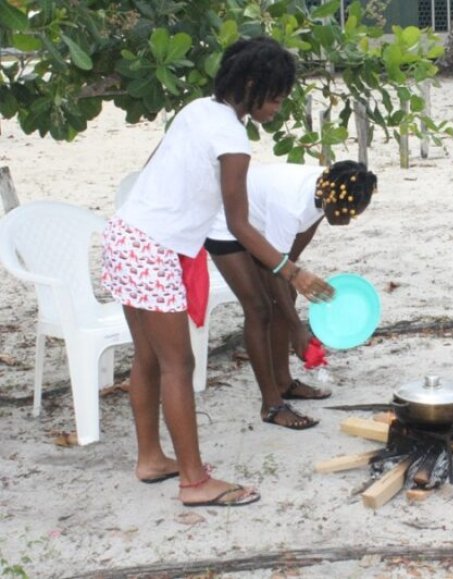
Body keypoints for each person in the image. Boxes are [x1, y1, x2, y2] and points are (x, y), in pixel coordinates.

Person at [101, 37, 333, 507]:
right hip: (152, 248)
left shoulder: (196, 110)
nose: (278, 107)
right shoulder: (232, 139)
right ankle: (194, 482)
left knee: (147, 358)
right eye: (276, 97)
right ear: (251, 85)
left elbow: (152, 170)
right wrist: (293, 273)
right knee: (178, 364)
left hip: (125, 234)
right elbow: (239, 224)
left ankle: (151, 459)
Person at [205, 161, 378, 430]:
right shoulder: (291, 205)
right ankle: (271, 405)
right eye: (345, 213)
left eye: (353, 215)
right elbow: (277, 268)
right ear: (330, 197)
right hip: (224, 224)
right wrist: (297, 328)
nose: (346, 221)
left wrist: (291, 296)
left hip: (255, 224)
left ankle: (283, 383)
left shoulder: (325, 191)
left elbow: (287, 261)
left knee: (286, 296)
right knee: (259, 309)